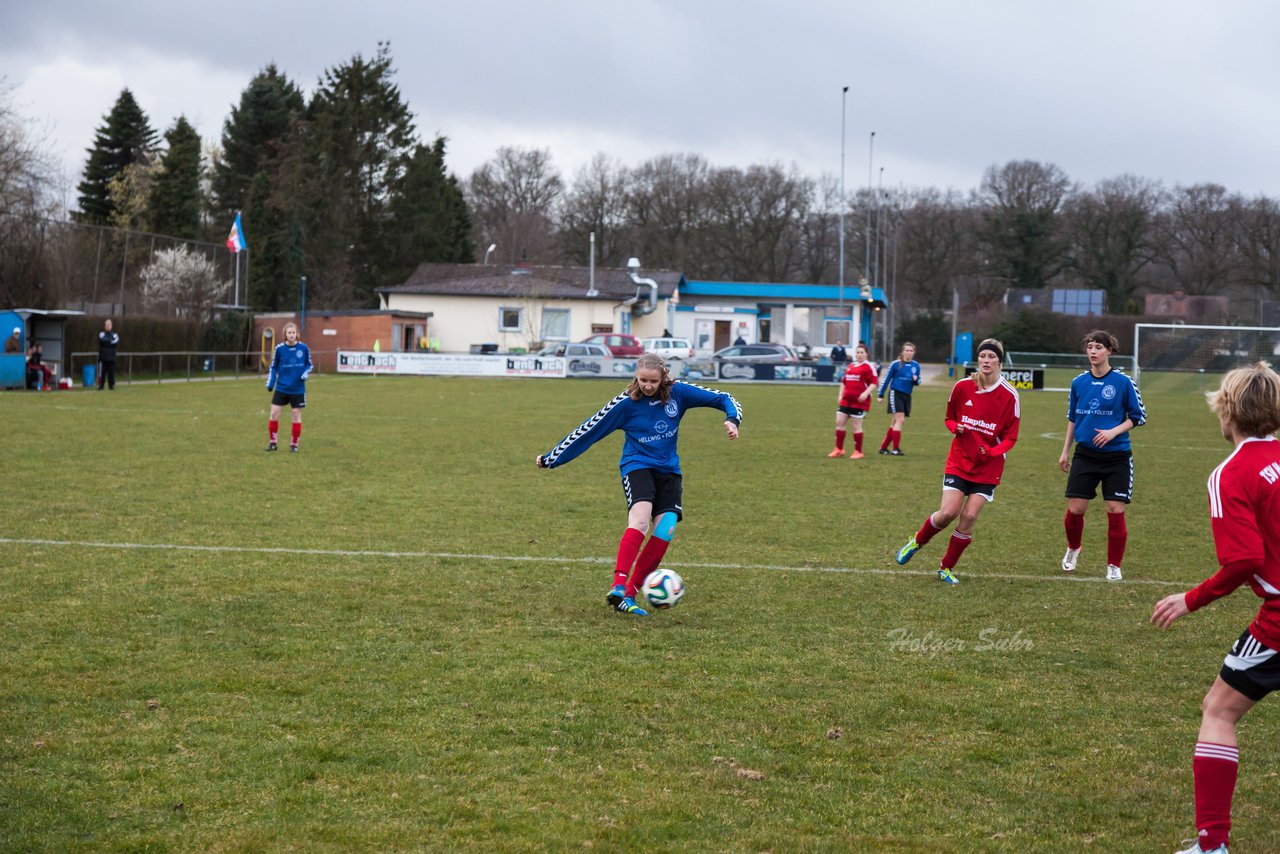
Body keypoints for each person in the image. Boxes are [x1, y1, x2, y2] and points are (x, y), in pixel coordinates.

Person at [1151, 362, 1280, 854]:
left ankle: (1213, 846)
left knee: (1218, 710)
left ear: (1227, 412)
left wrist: (1190, 599)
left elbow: (1244, 560)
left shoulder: (1231, 473)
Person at [535, 352, 741, 616]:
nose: (647, 386)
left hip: (669, 471)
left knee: (665, 529)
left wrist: (731, 419)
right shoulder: (625, 404)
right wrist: (552, 459)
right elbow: (588, 430)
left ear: (662, 377)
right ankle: (619, 584)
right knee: (640, 520)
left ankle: (629, 595)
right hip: (637, 466)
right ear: (636, 377)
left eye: (653, 381)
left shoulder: (679, 393)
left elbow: (724, 397)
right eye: (642, 379)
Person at [892, 339, 1020, 584]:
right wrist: (955, 427)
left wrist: (993, 452)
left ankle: (946, 568)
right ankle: (917, 541)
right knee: (948, 513)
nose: (986, 360)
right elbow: (949, 418)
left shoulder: (1009, 395)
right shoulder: (963, 386)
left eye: (991, 357)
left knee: (970, 516)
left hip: (988, 466)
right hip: (960, 460)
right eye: (982, 356)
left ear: (999, 362)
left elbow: (1011, 437)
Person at [1058, 330, 1147, 582]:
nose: (1093, 351)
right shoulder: (1078, 383)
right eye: (1090, 347)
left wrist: (1112, 432)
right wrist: (1065, 450)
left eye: (1098, 347)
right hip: (1084, 455)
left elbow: (1139, 416)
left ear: (1109, 350)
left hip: (1117, 456)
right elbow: (1073, 418)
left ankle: (1113, 565)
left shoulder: (1124, 382)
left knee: (1115, 508)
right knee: (1076, 508)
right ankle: (1074, 548)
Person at [265, 321, 312, 452]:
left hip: (297, 389)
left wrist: (305, 373)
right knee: (274, 414)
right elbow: (273, 367)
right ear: (285, 335)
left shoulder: (303, 348)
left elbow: (309, 365)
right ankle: (273, 443)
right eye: (289, 333)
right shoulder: (279, 349)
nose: (291, 335)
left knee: (296, 414)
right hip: (281, 388)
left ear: (297, 334)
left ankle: (294, 444)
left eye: (293, 332)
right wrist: (271, 382)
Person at [828, 343, 877, 459]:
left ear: (866, 354)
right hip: (846, 400)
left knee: (856, 426)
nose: (859, 355)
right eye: (858, 352)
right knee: (839, 423)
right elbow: (844, 382)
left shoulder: (868, 366)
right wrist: (840, 395)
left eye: (862, 352)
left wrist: (865, 393)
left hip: (859, 402)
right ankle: (839, 449)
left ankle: (858, 452)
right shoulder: (851, 365)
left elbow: (874, 382)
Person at [877, 342, 922, 455]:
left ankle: (883, 448)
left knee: (895, 422)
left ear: (914, 352)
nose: (909, 353)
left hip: (907, 395)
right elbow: (886, 379)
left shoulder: (916, 365)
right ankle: (896, 449)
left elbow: (918, 381)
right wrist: (881, 395)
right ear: (903, 352)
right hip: (895, 393)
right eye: (906, 350)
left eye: (911, 351)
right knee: (900, 420)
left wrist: (915, 380)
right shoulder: (895, 364)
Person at [97, 318, 119, 390]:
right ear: (104, 326)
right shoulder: (101, 334)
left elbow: (115, 342)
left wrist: (107, 342)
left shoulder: (115, 335)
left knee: (111, 373)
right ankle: (101, 386)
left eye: (110, 324)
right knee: (102, 373)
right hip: (103, 358)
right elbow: (102, 341)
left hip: (111, 358)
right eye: (107, 324)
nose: (108, 326)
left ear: (111, 326)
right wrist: (110, 342)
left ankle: (111, 386)